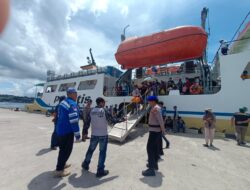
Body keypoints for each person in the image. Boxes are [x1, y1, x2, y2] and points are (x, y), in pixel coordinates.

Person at [82, 97, 124, 178]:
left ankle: (85, 164)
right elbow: (112, 121)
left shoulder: (91, 110)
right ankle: (100, 170)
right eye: (104, 102)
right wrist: (122, 119)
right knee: (102, 153)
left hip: (94, 135)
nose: (105, 104)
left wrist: (84, 133)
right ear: (101, 103)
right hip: (103, 135)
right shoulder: (104, 110)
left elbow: (86, 123)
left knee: (90, 150)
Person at [54, 88, 81, 177]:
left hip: (60, 130)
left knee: (62, 149)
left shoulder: (63, 102)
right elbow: (74, 120)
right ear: (71, 94)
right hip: (67, 131)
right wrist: (77, 135)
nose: (77, 95)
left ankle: (63, 164)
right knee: (66, 151)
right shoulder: (72, 104)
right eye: (75, 93)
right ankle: (59, 170)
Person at [142, 96, 165, 177]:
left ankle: (151, 169)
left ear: (153, 101)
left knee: (150, 148)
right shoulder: (156, 107)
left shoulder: (155, 108)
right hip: (155, 131)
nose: (148, 102)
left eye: (149, 101)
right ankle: (154, 165)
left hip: (154, 132)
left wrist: (163, 130)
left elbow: (160, 120)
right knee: (154, 149)